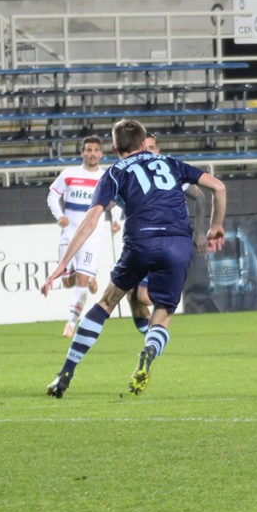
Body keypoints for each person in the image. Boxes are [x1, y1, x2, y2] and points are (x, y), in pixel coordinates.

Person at [41, 118, 226, 398]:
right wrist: (216, 226)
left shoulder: (114, 173)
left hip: (141, 241)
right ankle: (149, 349)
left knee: (106, 302)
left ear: (115, 149)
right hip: (178, 243)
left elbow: (91, 221)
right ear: (144, 143)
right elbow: (218, 187)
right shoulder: (170, 163)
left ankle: (65, 374)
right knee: (163, 310)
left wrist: (63, 264)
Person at [125, 132, 208, 335]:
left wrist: (200, 232)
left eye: (152, 148)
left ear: (158, 150)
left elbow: (199, 196)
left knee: (142, 295)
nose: (148, 151)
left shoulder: (169, 171)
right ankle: (152, 337)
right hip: (144, 238)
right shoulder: (132, 173)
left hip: (170, 238)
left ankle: (166, 305)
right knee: (131, 294)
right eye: (145, 148)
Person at [46, 135, 123, 338]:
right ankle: (89, 277)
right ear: (82, 153)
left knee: (81, 279)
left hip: (93, 238)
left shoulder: (107, 178)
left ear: (101, 154)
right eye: (88, 150)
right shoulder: (69, 174)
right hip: (69, 236)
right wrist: (59, 216)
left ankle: (71, 324)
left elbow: (116, 202)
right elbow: (52, 195)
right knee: (68, 282)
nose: (92, 154)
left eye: (96, 150)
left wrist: (116, 220)